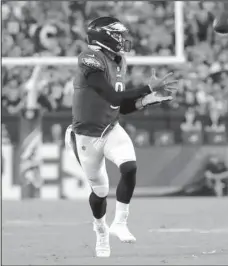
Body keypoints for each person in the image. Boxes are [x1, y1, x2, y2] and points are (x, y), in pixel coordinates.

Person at [64, 17, 178, 257]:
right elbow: (112, 97)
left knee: (129, 167)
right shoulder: (89, 58)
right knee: (100, 191)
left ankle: (120, 222)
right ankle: (101, 230)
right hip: (86, 135)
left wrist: (148, 100)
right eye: (118, 35)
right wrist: (148, 89)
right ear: (104, 37)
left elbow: (120, 108)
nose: (123, 40)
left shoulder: (119, 60)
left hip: (110, 127)